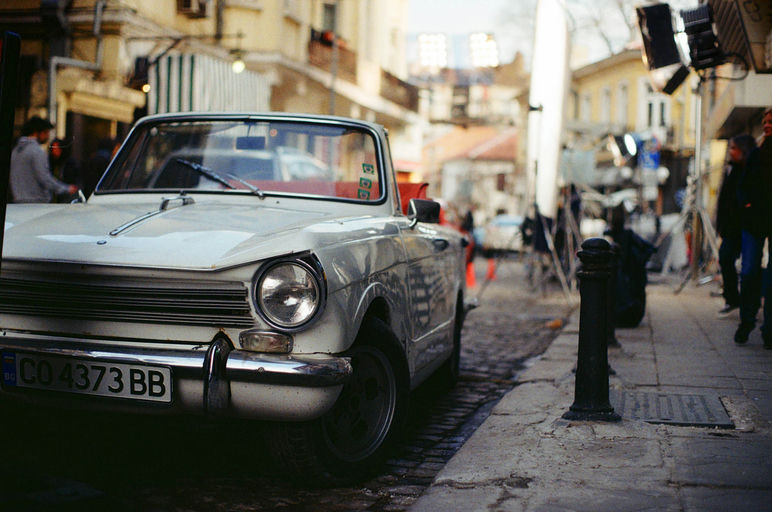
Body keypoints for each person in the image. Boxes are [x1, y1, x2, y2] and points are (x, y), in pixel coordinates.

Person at [734, 107, 772, 347]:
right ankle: (746, 322)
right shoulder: (757, 154)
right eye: (765, 121)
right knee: (748, 272)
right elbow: (743, 184)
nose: (767, 125)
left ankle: (769, 330)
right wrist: (746, 205)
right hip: (753, 222)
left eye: (771, 122)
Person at [715, 134, 756, 316]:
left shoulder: (750, 170)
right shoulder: (730, 170)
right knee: (725, 259)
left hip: (747, 226)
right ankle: (733, 299)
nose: (731, 152)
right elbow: (724, 199)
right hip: (730, 228)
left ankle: (749, 304)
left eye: (734, 148)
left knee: (749, 267)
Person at [606, 203, 656, 328]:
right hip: (634, 315)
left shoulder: (625, 243)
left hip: (628, 313)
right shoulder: (629, 239)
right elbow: (651, 248)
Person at [10, 116, 78, 203]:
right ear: (36, 133)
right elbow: (44, 178)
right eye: (46, 132)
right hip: (36, 203)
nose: (47, 136)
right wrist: (67, 189)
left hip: (17, 202)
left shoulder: (15, 151)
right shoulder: (37, 151)